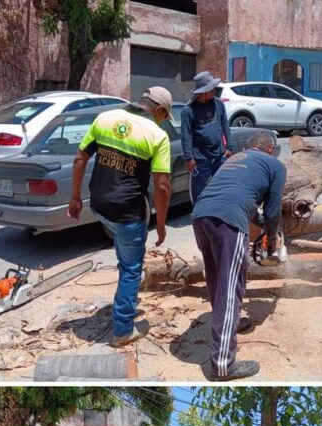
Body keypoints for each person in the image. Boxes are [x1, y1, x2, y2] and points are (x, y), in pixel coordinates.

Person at [68, 87, 173, 347]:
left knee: (124, 253)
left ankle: (125, 297)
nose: (163, 121)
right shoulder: (157, 135)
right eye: (164, 116)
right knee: (131, 269)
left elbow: (80, 159)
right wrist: (161, 224)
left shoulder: (105, 118)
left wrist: (75, 197)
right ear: (159, 110)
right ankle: (123, 330)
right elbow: (162, 185)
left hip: (99, 205)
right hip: (127, 213)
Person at [192, 131, 287, 381]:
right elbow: (273, 209)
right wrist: (272, 238)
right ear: (270, 149)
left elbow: (237, 194)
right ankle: (223, 364)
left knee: (217, 280)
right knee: (231, 287)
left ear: (248, 147)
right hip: (228, 221)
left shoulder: (232, 160)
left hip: (201, 215)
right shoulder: (275, 165)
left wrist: (260, 225)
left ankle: (229, 324)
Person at [181, 71, 233, 204]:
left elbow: (225, 126)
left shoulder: (218, 104)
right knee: (200, 193)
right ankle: (199, 213)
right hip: (200, 159)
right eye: (211, 89)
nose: (214, 91)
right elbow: (186, 136)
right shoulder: (188, 111)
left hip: (219, 156)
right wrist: (189, 158)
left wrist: (229, 147)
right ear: (203, 92)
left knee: (222, 189)